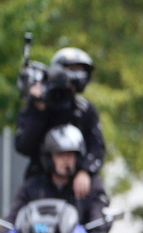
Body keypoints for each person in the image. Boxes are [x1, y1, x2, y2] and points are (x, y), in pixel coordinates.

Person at [15, 47, 106, 200]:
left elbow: (97, 146)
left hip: (76, 185)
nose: (76, 75)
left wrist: (85, 171)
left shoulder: (84, 110)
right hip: (40, 185)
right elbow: (24, 146)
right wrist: (39, 110)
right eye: (72, 69)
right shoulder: (36, 106)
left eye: (81, 70)